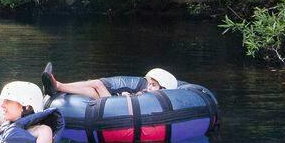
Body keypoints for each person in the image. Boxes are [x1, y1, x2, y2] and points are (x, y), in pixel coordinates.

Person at [39, 63, 181, 100]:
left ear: (163, 88)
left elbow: (138, 103)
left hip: (116, 106)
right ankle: (56, 86)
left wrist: (127, 96)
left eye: (154, 85)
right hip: (114, 102)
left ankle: (57, 85)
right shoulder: (147, 92)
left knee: (98, 84)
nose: (149, 86)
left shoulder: (154, 98)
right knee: (91, 90)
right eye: (150, 83)